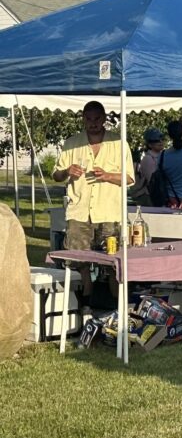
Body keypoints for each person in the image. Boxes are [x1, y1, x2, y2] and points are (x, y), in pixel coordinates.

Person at [52, 101, 135, 306]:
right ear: (83, 119)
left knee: (113, 264)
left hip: (110, 213)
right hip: (79, 213)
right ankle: (84, 306)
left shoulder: (119, 143)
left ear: (104, 118)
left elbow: (130, 179)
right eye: (88, 119)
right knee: (78, 262)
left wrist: (107, 176)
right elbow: (56, 174)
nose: (93, 123)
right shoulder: (72, 143)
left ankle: (117, 309)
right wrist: (66, 172)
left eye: (97, 118)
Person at [129, 127, 165, 205]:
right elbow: (152, 180)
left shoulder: (162, 156)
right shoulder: (148, 159)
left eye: (162, 139)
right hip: (147, 195)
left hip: (156, 194)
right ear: (149, 144)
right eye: (156, 141)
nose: (160, 142)